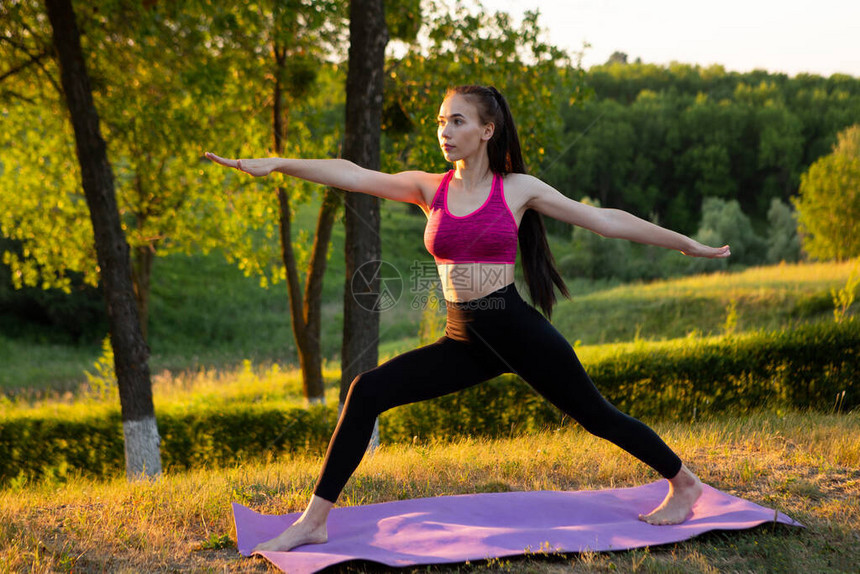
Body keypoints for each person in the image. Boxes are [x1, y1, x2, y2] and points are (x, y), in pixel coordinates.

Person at [206, 84, 730, 552]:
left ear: (486, 130)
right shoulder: (429, 188)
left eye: (456, 121)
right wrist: (280, 163)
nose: (445, 131)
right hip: (464, 340)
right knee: (366, 390)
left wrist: (686, 244)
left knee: (596, 416)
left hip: (516, 331)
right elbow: (355, 175)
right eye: (440, 121)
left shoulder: (518, 188)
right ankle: (314, 521)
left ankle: (684, 482)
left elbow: (604, 221)